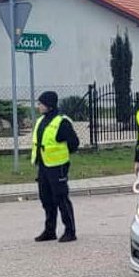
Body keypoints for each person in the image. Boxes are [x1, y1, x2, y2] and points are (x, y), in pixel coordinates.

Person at [32, 91, 80, 243]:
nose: (38, 106)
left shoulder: (62, 122)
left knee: (61, 198)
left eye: (40, 103)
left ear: (49, 105)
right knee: (46, 198)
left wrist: (63, 154)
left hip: (57, 166)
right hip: (43, 166)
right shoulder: (41, 121)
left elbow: (74, 143)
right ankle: (50, 230)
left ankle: (70, 231)